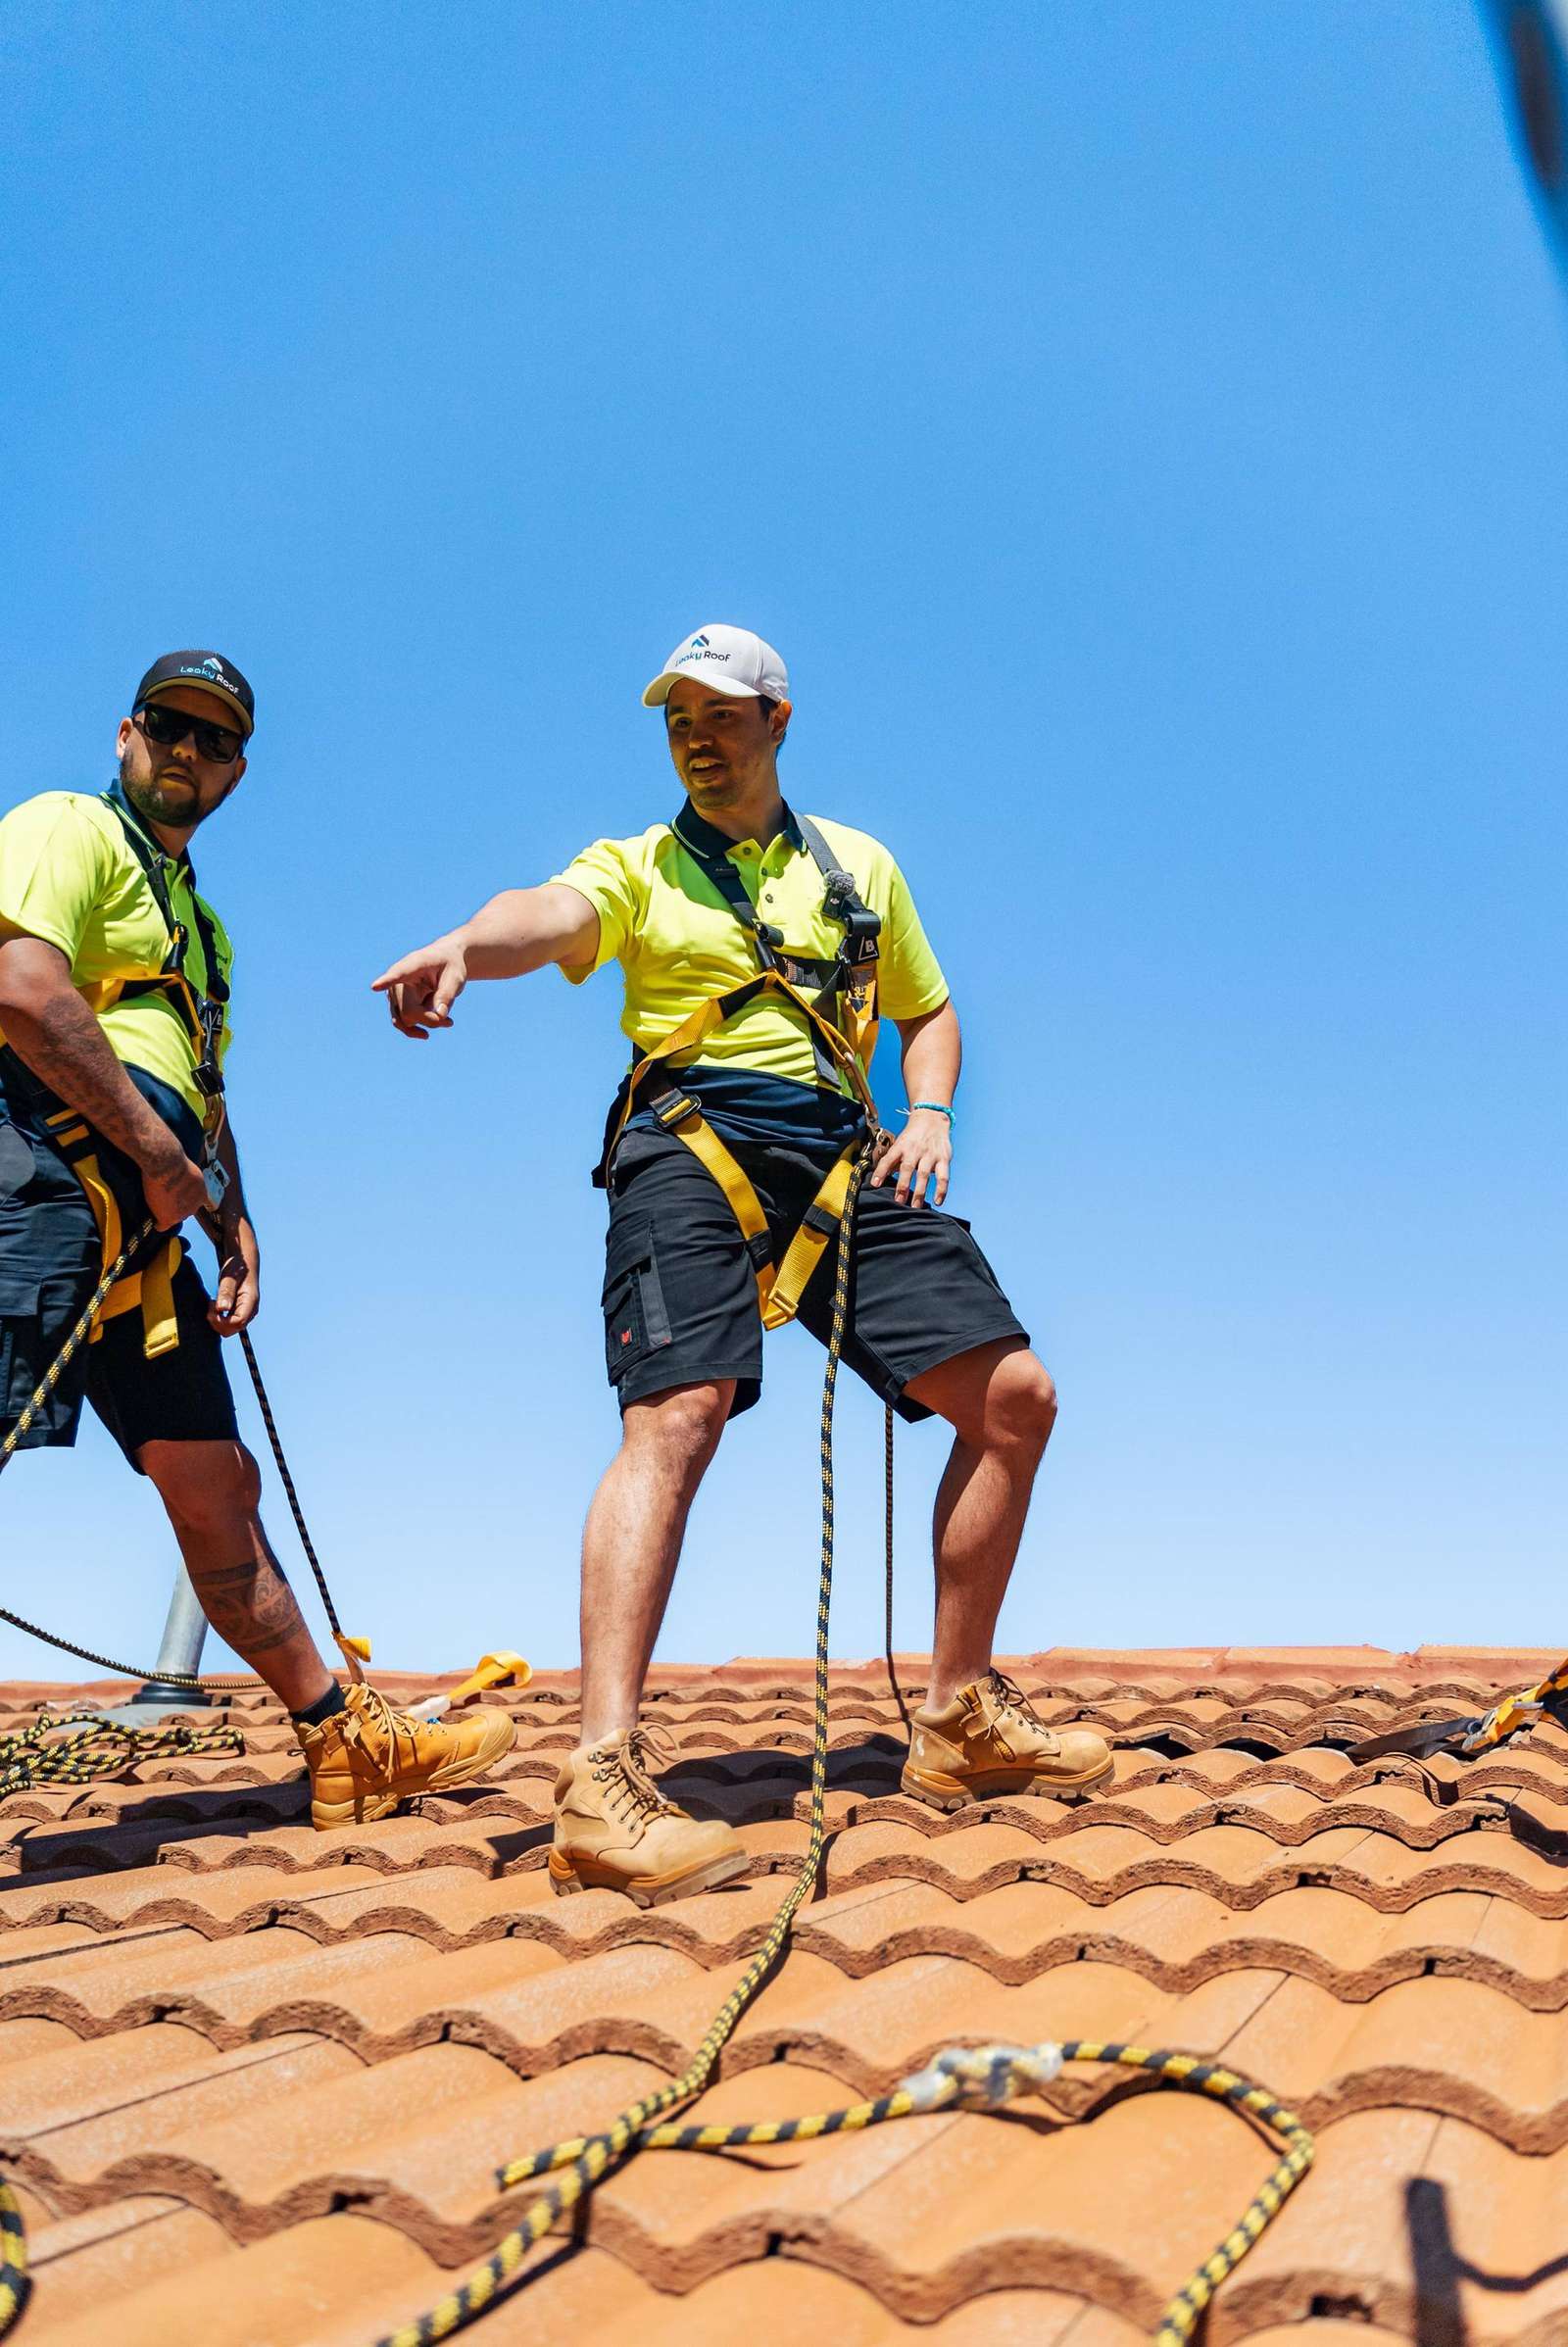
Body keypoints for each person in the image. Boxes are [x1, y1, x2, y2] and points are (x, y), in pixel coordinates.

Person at [375, 623, 1110, 1904]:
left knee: (1015, 1401)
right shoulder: (639, 864)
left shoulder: (861, 866)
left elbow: (927, 1010)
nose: (697, 737)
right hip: (690, 1139)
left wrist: (929, 1109)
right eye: (677, 720)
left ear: (777, 721)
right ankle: (600, 1774)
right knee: (679, 1412)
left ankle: (956, 1720)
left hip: (841, 1150)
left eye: (720, 715)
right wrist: (463, 945)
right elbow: (543, 914)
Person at [0, 652, 514, 1827]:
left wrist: (234, 1221)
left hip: (143, 1235)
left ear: (236, 771)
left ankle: (341, 1741)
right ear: (127, 732)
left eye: (215, 741)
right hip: (31, 1187)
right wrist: (160, 1156)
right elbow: (24, 988)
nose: (188, 752)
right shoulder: (64, 826)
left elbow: (205, 1091)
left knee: (217, 1478)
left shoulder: (203, 927)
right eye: (171, 728)